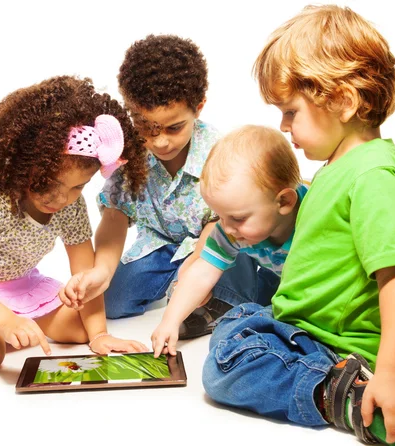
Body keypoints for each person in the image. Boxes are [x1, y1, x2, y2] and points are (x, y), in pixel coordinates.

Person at [202, 5, 395, 446]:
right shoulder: (339, 167)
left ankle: (335, 394)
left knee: (225, 363)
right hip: (303, 325)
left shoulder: (372, 176)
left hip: (331, 343)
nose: (283, 127)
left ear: (341, 100)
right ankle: (323, 378)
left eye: (290, 112)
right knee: (239, 320)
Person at [0, 75, 148, 374]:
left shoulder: (70, 204)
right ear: (27, 162)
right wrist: (5, 322)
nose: (61, 198)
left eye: (77, 187)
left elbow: (84, 271)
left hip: (13, 281)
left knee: (80, 331)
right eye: (51, 183)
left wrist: (99, 335)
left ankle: (8, 314)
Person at [62, 34, 261, 339]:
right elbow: (114, 217)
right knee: (111, 301)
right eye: (146, 126)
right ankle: (181, 288)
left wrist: (195, 268)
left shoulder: (218, 153)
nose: (160, 141)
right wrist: (101, 270)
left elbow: (220, 225)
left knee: (228, 277)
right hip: (163, 245)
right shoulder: (130, 155)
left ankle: (223, 302)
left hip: (219, 241)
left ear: (199, 107)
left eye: (174, 127)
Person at [151, 125, 307, 357]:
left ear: (284, 202)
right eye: (220, 216)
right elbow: (203, 270)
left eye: (237, 218)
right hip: (275, 278)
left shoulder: (314, 220)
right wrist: (170, 321)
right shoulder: (231, 227)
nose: (226, 227)